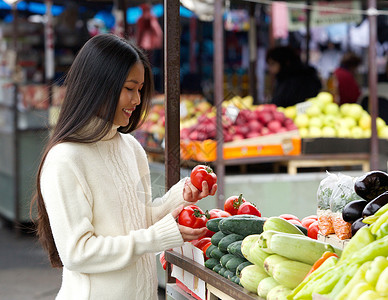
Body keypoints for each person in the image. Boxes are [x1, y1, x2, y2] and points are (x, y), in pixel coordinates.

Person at [31, 34, 217, 300]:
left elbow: (139, 221)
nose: (137, 100)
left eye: (140, 89)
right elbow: (78, 253)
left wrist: (181, 195)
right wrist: (156, 238)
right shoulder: (65, 159)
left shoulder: (130, 147)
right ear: (98, 86)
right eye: (129, 89)